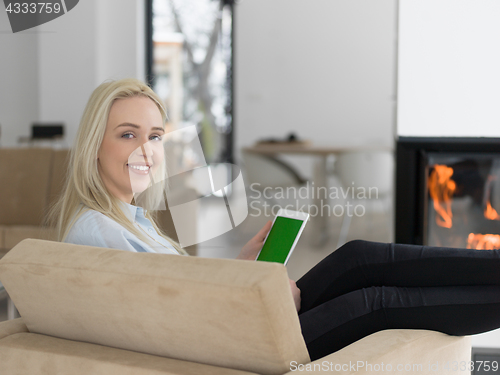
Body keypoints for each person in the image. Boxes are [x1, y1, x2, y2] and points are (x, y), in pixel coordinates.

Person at [50, 78, 500, 362]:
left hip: (222, 323)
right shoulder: (97, 230)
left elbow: (170, 293)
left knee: (358, 257)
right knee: (375, 302)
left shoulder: (129, 221)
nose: (146, 150)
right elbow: (161, 322)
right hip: (230, 344)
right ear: (93, 145)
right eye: (128, 135)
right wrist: (251, 297)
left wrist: (242, 273)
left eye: (154, 136)